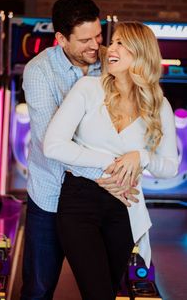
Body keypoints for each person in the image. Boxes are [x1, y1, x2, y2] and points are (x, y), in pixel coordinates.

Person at [44, 21, 179, 300]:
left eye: (120, 43)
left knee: (107, 292)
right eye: (113, 41)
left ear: (141, 53)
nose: (110, 48)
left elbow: (169, 167)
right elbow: (53, 145)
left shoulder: (158, 104)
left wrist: (140, 156)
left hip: (125, 206)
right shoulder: (88, 88)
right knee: (98, 294)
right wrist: (110, 161)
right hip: (80, 201)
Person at [21, 0, 136, 300]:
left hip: (99, 197)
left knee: (103, 288)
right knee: (39, 288)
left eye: (98, 35)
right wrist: (110, 172)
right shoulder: (39, 71)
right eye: (84, 39)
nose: (95, 45)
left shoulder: (109, 64)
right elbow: (51, 143)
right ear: (61, 39)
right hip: (51, 194)